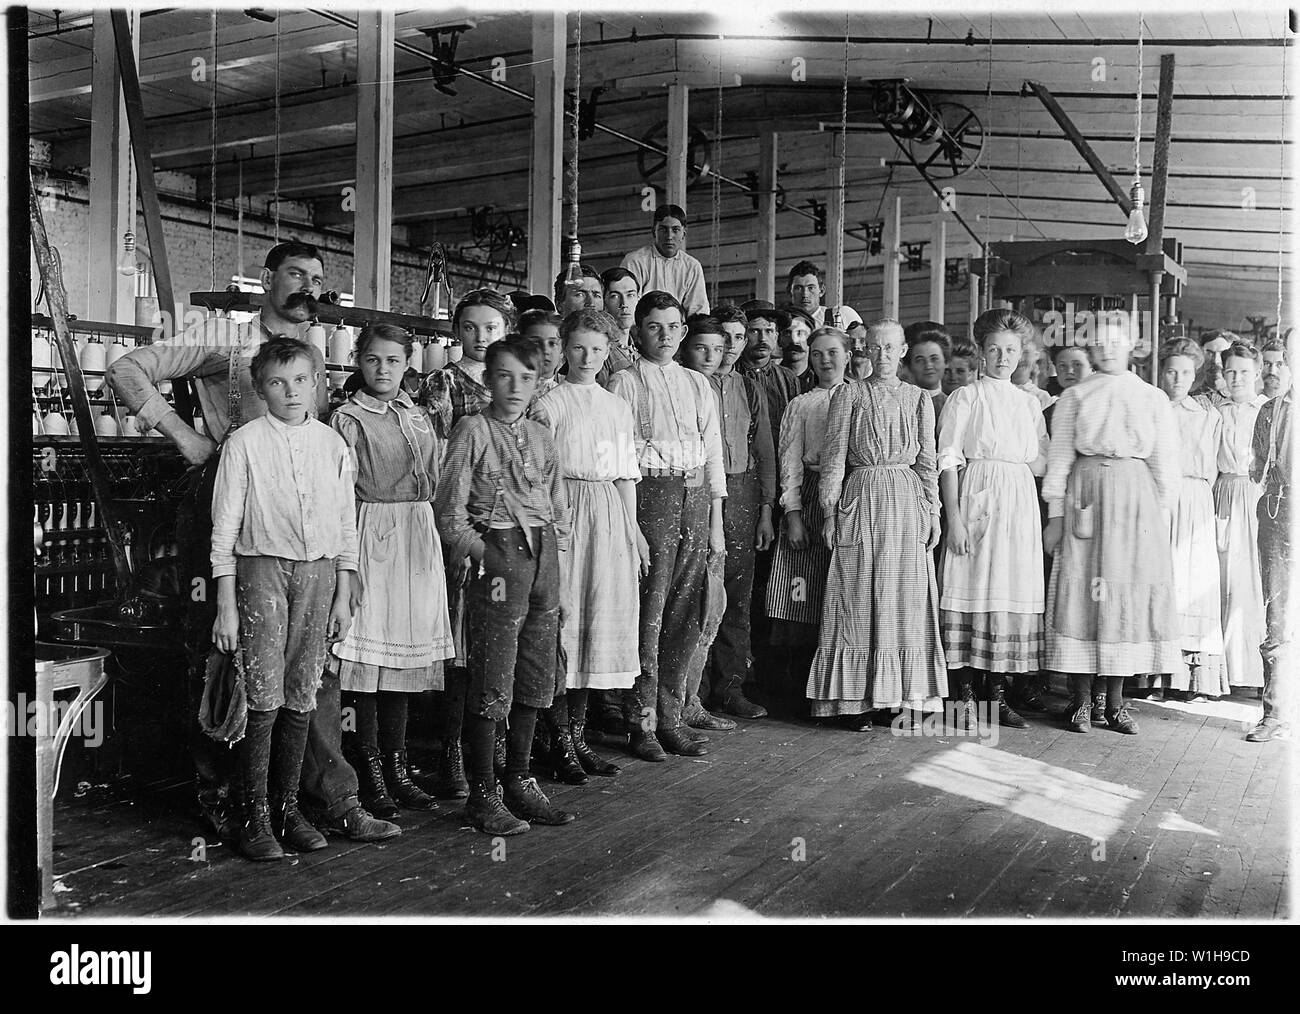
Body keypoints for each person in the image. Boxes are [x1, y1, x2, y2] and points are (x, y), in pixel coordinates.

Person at [106, 239, 397, 844]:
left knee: (309, 666)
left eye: (318, 277)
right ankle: (228, 800)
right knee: (222, 656)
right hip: (224, 507)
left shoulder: (311, 353)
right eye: (295, 273)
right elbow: (125, 368)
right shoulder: (226, 339)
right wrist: (185, 436)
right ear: (267, 279)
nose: (308, 286)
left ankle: (320, 798)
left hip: (297, 533)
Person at [210, 336, 358, 860]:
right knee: (263, 694)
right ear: (260, 389)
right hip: (261, 572)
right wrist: (226, 604)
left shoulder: (333, 444)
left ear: (317, 381)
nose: (291, 391)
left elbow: (345, 523)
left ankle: (289, 808)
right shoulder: (244, 442)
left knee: (302, 693)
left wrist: (344, 593)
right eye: (278, 382)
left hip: (318, 575)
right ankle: (254, 817)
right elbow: (224, 529)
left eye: (301, 380)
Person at [434, 335, 574, 834]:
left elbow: (557, 508)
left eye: (528, 377)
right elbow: (449, 515)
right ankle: (483, 794)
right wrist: (489, 556)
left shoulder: (541, 434)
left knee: (537, 673)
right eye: (505, 375)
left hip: (543, 559)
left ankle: (519, 781)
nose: (516, 387)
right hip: (498, 559)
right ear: (488, 379)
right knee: (494, 674)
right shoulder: (471, 429)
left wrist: (553, 555)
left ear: (539, 382)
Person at [329, 325, 456, 819]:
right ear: (359, 362)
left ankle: (401, 771)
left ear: (408, 364)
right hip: (373, 532)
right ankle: (371, 773)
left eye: (394, 361)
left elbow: (437, 475)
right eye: (373, 360)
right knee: (370, 662)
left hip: (417, 533)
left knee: (403, 662)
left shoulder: (418, 414)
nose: (383, 370)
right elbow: (342, 493)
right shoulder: (348, 418)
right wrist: (349, 564)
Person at [1043, 314, 1181, 736]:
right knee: (1085, 594)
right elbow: (1061, 458)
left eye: (1115, 342)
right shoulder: (1075, 397)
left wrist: (1156, 518)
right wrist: (1055, 515)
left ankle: (1116, 703)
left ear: (1132, 345)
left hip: (1135, 503)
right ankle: (1080, 702)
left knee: (1123, 596)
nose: (1106, 349)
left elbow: (1165, 465)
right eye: (1098, 343)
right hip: (1085, 495)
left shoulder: (1152, 397)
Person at [807, 319, 947, 729]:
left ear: (903, 351)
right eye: (875, 348)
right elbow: (833, 461)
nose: (882, 355)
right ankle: (855, 701)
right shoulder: (849, 396)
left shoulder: (919, 400)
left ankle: (898, 699)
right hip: (862, 498)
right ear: (864, 350)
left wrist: (933, 512)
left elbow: (927, 464)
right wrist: (830, 512)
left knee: (903, 598)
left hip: (906, 504)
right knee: (856, 595)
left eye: (890, 348)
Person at [608, 292, 727, 760]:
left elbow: (713, 452)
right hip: (649, 497)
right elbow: (619, 458)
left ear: (683, 331)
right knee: (649, 611)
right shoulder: (623, 382)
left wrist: (716, 523)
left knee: (685, 610)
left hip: (695, 498)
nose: (665, 335)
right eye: (653, 326)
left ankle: (671, 718)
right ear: (637, 332)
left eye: (673, 326)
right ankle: (641, 724)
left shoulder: (698, 384)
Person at [530, 308, 646, 780]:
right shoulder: (549, 403)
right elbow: (537, 476)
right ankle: (555, 740)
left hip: (607, 518)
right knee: (567, 624)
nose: (588, 357)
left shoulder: (616, 405)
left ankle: (578, 738)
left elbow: (623, 475)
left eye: (598, 349)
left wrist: (633, 531)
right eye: (578, 346)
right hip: (566, 514)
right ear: (563, 346)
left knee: (596, 625)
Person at [419, 288, 516, 798]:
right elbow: (437, 458)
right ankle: (453, 752)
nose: (481, 338)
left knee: (501, 638)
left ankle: (497, 747)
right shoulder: (442, 382)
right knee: (463, 643)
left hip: (512, 524)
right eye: (471, 328)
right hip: (466, 525)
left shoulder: (518, 382)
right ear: (457, 332)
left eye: (492, 328)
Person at [937, 310, 1049, 732]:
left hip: (1018, 501)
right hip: (978, 492)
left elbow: (1040, 459)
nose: (1003, 357)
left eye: (1011, 350)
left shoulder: (1029, 403)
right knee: (973, 588)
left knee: (1008, 590)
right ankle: (964, 698)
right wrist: (955, 519)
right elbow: (947, 459)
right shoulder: (966, 397)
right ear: (982, 353)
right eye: (995, 350)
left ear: (1022, 354)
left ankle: (996, 696)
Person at [680, 315, 776, 725]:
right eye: (724, 340)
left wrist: (767, 508)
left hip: (741, 491)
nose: (733, 347)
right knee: (694, 593)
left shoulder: (749, 388)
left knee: (736, 595)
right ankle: (690, 694)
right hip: (692, 489)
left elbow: (766, 451)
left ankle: (730, 687)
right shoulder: (686, 383)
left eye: (738, 339)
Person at [1139, 338, 1227, 702]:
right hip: (1158, 497)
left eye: (1186, 372)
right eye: (1172, 371)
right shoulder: (1148, 409)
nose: (1178, 378)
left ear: (1196, 375)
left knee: (1192, 582)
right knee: (1159, 578)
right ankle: (1151, 674)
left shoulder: (1207, 414)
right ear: (1161, 372)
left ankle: (1192, 679)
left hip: (1194, 501)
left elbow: (1218, 466)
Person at [766, 327, 850, 703]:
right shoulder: (801, 404)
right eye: (817, 354)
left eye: (833, 352)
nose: (825, 360)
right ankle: (799, 692)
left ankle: (843, 689)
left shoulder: (860, 398)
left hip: (853, 499)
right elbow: (790, 463)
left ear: (848, 355)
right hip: (811, 498)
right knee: (801, 596)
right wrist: (794, 513)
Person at [1215, 340, 1269, 691]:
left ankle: (1251, 673)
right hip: (1222, 493)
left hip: (1256, 497)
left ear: (1258, 374)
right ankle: (1217, 671)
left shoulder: (1267, 410)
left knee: (1251, 581)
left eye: (1244, 372)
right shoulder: (1214, 411)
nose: (1236, 378)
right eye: (1230, 371)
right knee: (1221, 579)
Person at [1248, 347, 1293, 741]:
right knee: (1275, 615)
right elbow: (1257, 465)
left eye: (1283, 362)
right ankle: (1273, 714)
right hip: (1277, 514)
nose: (1273, 370)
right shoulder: (1267, 413)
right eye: (1269, 364)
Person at [620, 204, 710, 317]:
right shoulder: (635, 261)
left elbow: (698, 311)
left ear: (684, 234)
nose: (669, 236)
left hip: (678, 331)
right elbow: (627, 306)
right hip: (642, 330)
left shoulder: (692, 266)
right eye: (663, 229)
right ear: (654, 232)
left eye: (675, 230)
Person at [737, 300, 800, 453]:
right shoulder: (733, 375)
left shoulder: (788, 379)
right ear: (743, 336)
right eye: (754, 331)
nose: (762, 339)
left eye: (769, 331)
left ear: (777, 336)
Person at [786, 259, 862, 330]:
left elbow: (864, 341)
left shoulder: (842, 316)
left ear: (821, 291)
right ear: (789, 291)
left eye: (811, 288)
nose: (805, 294)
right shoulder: (781, 325)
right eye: (798, 288)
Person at [598, 266, 641, 386]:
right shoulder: (602, 351)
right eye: (614, 296)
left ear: (638, 298)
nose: (624, 304)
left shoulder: (642, 347)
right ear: (604, 302)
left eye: (630, 295)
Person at [904, 323, 951, 422]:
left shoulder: (953, 405)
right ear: (910, 365)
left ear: (946, 361)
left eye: (934, 358)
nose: (928, 365)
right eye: (920, 360)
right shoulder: (901, 406)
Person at [518, 308, 565, 402]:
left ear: (562, 351)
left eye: (552, 343)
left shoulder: (567, 392)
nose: (545, 350)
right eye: (535, 343)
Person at [780, 305, 818, 393]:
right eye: (787, 333)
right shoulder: (770, 380)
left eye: (800, 333)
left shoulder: (822, 381)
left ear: (811, 338)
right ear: (779, 338)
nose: (794, 341)